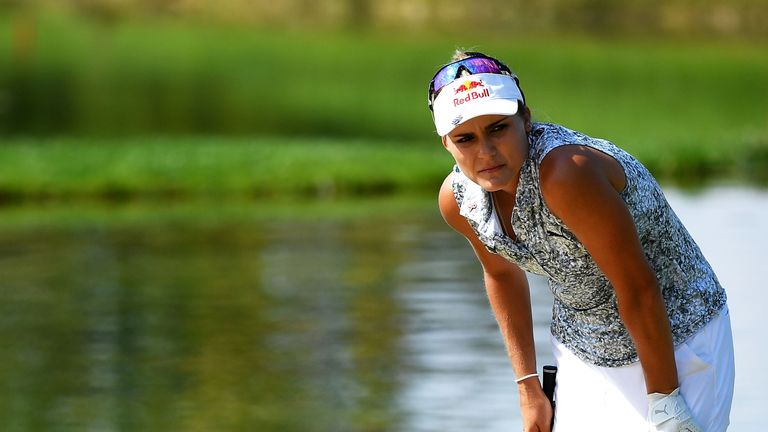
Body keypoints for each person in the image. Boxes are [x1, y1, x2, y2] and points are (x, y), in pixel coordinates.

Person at [427, 51, 735, 432]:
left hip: (677, 338)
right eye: (465, 138)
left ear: (525, 118)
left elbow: (637, 286)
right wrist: (528, 388)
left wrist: (666, 402)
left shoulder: (564, 173)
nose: (486, 152)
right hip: (583, 348)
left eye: (498, 128)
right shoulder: (459, 201)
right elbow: (502, 274)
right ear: (446, 142)